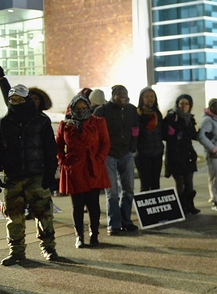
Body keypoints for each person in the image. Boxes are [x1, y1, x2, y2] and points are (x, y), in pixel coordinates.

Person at [0, 84, 59, 265]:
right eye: (12, 100)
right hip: (12, 176)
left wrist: (50, 174)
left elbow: (50, 149)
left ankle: (49, 248)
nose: (16, 103)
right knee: (13, 217)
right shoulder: (2, 123)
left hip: (37, 175)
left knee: (44, 215)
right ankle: (16, 252)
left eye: (20, 100)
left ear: (27, 101)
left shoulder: (41, 121)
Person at [56, 93, 112, 248]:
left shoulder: (99, 122)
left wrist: (99, 159)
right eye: (77, 107)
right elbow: (58, 145)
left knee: (93, 204)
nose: (81, 110)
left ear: (89, 107)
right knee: (77, 205)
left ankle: (94, 234)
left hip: (93, 168)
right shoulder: (64, 125)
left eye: (84, 107)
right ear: (72, 108)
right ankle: (79, 236)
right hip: (74, 170)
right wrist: (63, 160)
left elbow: (105, 143)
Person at [93, 85, 140, 235]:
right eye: (119, 94)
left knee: (129, 189)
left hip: (126, 154)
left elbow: (135, 129)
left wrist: (133, 146)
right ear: (113, 95)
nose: (123, 96)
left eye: (125, 93)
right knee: (112, 191)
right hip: (109, 155)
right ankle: (114, 224)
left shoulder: (131, 110)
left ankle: (126, 221)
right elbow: (94, 131)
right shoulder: (102, 110)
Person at [163, 94, 200, 215]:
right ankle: (181, 207)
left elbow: (193, 135)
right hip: (175, 155)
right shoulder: (171, 116)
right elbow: (164, 134)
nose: (184, 106)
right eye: (181, 103)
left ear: (190, 106)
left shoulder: (190, 119)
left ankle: (190, 205)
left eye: (186, 104)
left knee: (189, 182)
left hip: (188, 154)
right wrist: (170, 132)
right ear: (177, 104)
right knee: (180, 183)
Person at [135, 87, 166, 192]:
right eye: (146, 97)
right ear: (141, 99)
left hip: (157, 153)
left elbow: (162, 133)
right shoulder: (138, 114)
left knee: (156, 183)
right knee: (145, 184)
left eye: (152, 96)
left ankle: (155, 207)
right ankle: (145, 207)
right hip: (143, 154)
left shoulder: (157, 113)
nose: (150, 99)